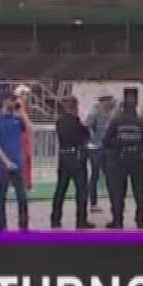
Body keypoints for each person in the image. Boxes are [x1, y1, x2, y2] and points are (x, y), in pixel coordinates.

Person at [101, 96, 143, 229]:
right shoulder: (141, 122)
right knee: (139, 192)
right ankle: (140, 220)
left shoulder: (116, 121)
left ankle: (118, 220)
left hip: (119, 161)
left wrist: (115, 150)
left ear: (122, 108)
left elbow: (106, 140)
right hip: (138, 161)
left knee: (118, 192)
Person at [0, 94, 31, 232]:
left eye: (15, 101)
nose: (13, 104)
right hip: (3, 164)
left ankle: (23, 226)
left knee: (22, 196)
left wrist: (22, 112)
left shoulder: (18, 119)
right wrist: (6, 161)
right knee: (2, 195)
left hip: (17, 162)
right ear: (5, 101)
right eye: (11, 101)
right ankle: (2, 227)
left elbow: (29, 129)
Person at [50, 96, 93, 229]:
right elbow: (85, 135)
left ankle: (55, 219)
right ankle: (81, 220)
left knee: (60, 189)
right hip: (76, 156)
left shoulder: (60, 122)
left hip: (63, 155)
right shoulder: (76, 121)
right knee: (81, 190)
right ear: (76, 107)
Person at [86, 94, 116, 210]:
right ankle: (93, 203)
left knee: (110, 175)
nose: (112, 103)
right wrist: (93, 139)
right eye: (110, 101)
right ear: (104, 101)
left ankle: (114, 203)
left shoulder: (110, 113)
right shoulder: (95, 113)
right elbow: (87, 127)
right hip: (95, 148)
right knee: (95, 175)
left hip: (106, 147)